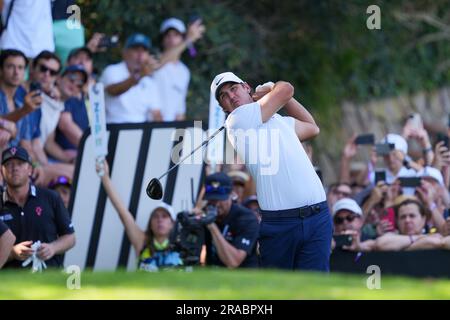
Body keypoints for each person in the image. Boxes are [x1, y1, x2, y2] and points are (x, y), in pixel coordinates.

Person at [211, 72, 332, 271]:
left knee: (315, 290)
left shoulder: (280, 121)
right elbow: (286, 89)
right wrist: (272, 88)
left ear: (246, 87)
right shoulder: (236, 121)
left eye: (233, 89)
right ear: (223, 107)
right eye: (223, 96)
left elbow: (312, 127)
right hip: (281, 224)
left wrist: (280, 96)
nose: (231, 96)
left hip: (317, 216)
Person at [97, 160, 182, 271]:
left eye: (165, 216)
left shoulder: (181, 246)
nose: (160, 220)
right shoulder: (142, 242)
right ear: (150, 224)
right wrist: (105, 178)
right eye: (155, 216)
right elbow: (122, 212)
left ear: (172, 223)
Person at [0, 146, 75, 268]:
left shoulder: (51, 197)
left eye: (20, 163)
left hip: (49, 276)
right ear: (1, 171)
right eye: (9, 164)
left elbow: (70, 237)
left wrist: (53, 248)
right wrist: (12, 253)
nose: (14, 168)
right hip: (11, 281)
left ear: (30, 169)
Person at [203, 172, 259, 268]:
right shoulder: (204, 214)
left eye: (220, 199)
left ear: (231, 195)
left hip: (242, 277)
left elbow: (233, 262)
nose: (216, 204)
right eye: (212, 200)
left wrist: (212, 226)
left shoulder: (247, 218)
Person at [152, 17, 205, 121]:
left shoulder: (184, 71)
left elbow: (180, 110)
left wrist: (180, 134)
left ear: (182, 38)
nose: (171, 39)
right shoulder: (153, 60)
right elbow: (159, 63)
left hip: (171, 130)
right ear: (162, 40)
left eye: (176, 35)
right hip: (150, 127)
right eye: (167, 35)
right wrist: (188, 40)